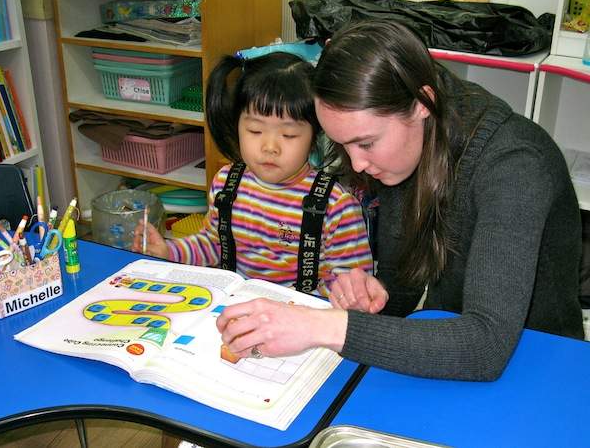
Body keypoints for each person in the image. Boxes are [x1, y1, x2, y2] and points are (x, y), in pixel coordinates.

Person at [216, 20, 584, 381]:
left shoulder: (515, 167)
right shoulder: (406, 148)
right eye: (342, 144)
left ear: (423, 103)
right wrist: (373, 296)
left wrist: (325, 326)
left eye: (366, 143)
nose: (357, 163)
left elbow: (485, 346)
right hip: (449, 344)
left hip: (539, 363)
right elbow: (403, 285)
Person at [132, 52, 373, 298]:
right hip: (233, 309)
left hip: (299, 322)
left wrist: (292, 305)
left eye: (288, 135)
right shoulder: (227, 185)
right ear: (237, 126)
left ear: (315, 138)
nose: (270, 147)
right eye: (255, 130)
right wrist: (168, 251)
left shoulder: (336, 207)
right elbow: (213, 244)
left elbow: (351, 288)